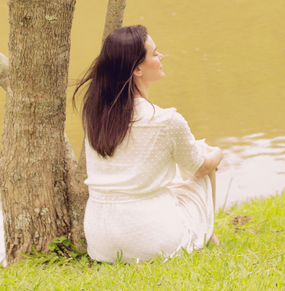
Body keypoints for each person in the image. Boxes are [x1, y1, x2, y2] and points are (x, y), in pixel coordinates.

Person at [73, 25, 224, 262]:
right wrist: (217, 153)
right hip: (151, 241)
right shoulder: (167, 120)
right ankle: (207, 232)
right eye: (154, 54)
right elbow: (200, 168)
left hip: (101, 243)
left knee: (171, 171)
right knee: (204, 156)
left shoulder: (95, 115)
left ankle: (205, 231)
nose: (161, 56)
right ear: (137, 69)